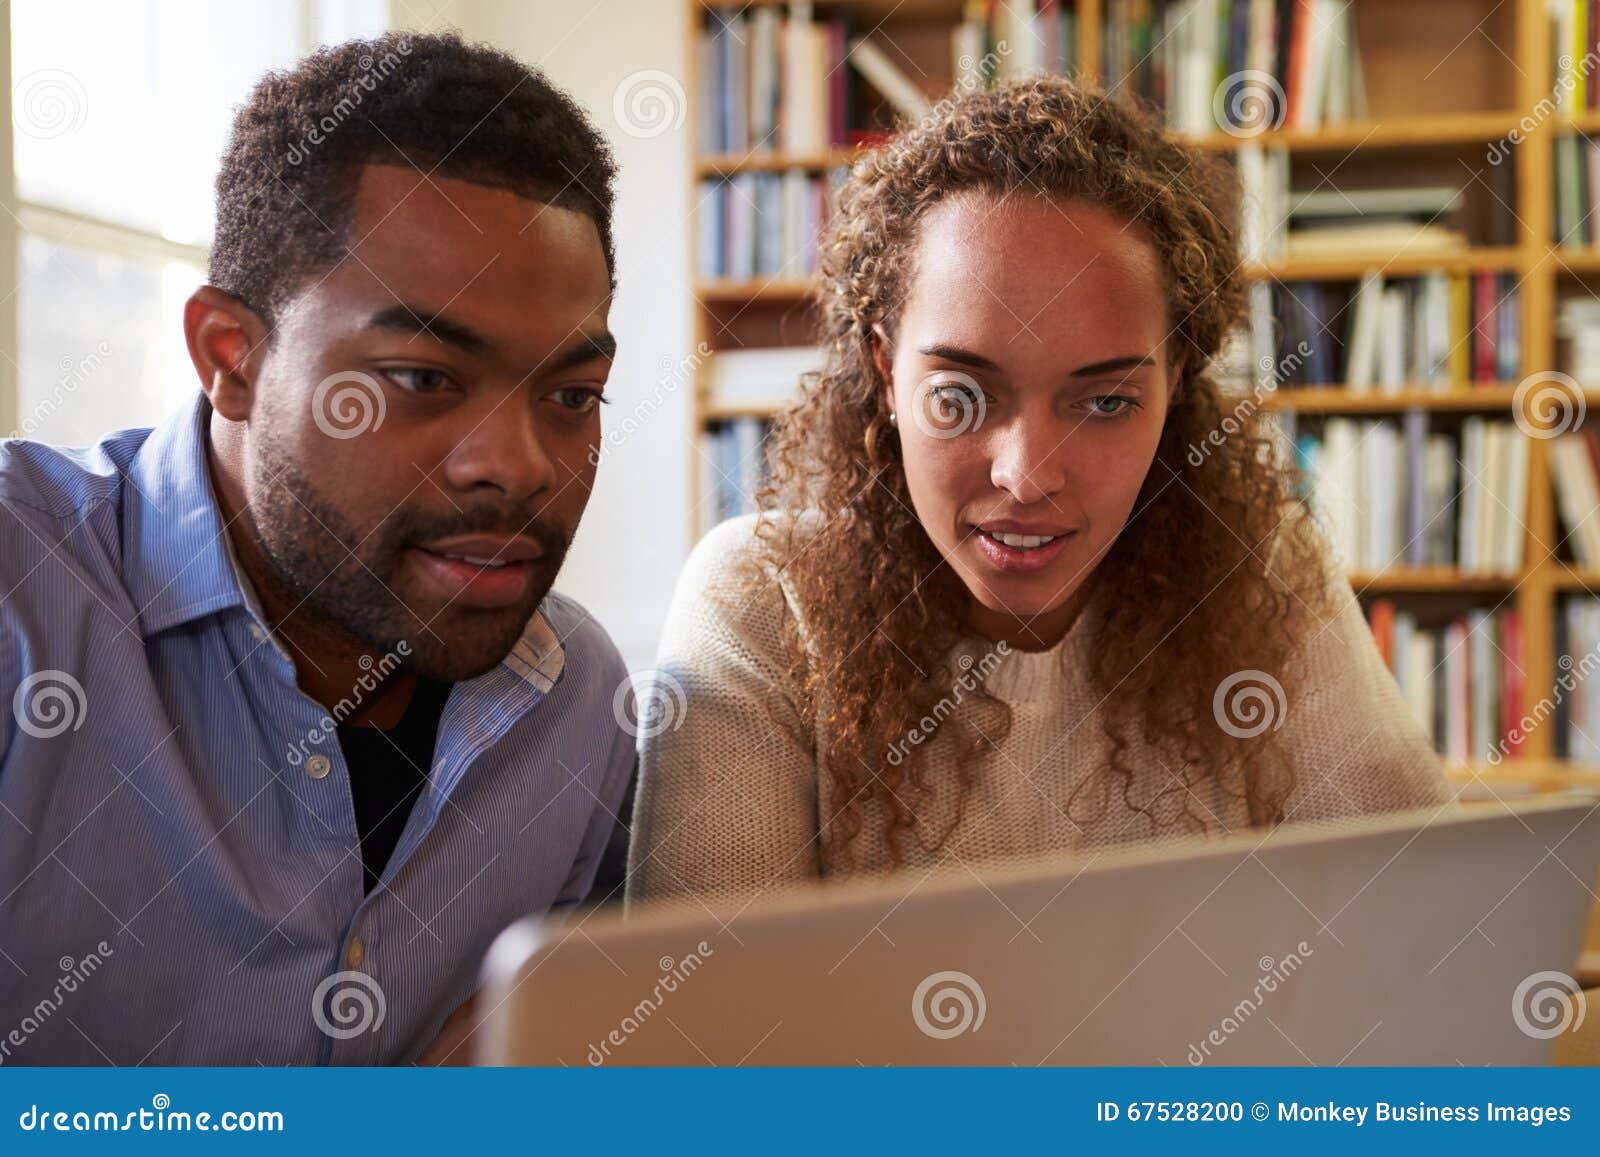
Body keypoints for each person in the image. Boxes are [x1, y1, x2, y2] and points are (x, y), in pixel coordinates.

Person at [628, 76, 1454, 907]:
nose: (1026, 476)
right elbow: (717, 990)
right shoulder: (763, 602)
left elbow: (1421, 919)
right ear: (885, 371)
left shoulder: (1261, 573)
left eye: (1106, 402)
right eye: (961, 395)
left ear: (1173, 385)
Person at [0, 32, 634, 1064]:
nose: (519, 467)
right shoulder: (21, 594)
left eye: (571, 395)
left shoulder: (576, 703)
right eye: (422, 378)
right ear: (231, 358)